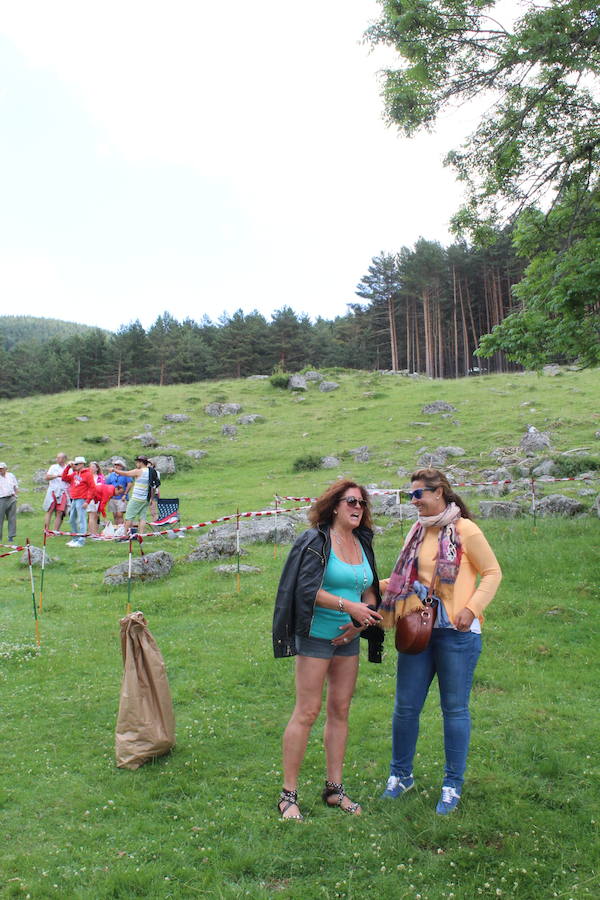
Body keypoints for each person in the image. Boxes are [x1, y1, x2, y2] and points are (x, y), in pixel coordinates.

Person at [380, 468, 502, 815]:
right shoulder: (418, 531)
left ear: (440, 492)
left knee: (454, 710)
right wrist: (377, 585)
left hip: (457, 634)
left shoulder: (465, 529)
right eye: (410, 495)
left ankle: (452, 785)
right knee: (405, 707)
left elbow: (492, 572)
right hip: (418, 630)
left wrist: (473, 608)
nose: (413, 501)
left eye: (418, 494)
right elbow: (409, 578)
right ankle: (400, 776)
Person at [272, 480, 383, 820]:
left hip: (347, 638)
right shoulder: (315, 540)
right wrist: (348, 606)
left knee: (340, 710)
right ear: (335, 505)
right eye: (351, 501)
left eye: (362, 503)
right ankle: (288, 795)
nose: (357, 508)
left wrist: (361, 620)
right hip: (316, 635)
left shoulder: (362, 541)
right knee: (307, 711)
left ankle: (334, 789)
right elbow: (306, 589)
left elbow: (370, 587)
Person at [61, 457, 96, 547]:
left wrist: (87, 501)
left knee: (81, 520)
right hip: (74, 499)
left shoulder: (88, 474)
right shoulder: (74, 474)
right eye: (74, 464)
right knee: (72, 519)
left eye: (76, 464)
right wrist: (68, 467)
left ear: (82, 464)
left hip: (82, 499)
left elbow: (92, 488)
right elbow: (64, 478)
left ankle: (81, 540)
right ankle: (75, 538)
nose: (75, 466)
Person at [121, 456, 152, 537]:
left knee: (129, 517)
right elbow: (154, 486)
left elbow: (126, 473)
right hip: (146, 498)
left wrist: (114, 470)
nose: (136, 464)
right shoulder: (151, 471)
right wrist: (151, 498)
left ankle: (125, 535)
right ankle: (141, 535)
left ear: (141, 462)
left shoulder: (139, 471)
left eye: (137, 462)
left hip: (136, 498)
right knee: (142, 518)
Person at [43, 452, 69, 532]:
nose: (58, 459)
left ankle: (55, 530)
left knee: (60, 511)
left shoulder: (68, 468)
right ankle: (46, 530)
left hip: (64, 491)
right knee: (50, 510)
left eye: (60, 458)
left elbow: (71, 479)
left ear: (64, 459)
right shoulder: (53, 467)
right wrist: (57, 476)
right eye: (57, 458)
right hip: (53, 490)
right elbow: (46, 477)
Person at [105, 460, 132, 527]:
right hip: (113, 497)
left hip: (122, 497)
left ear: (122, 466)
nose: (116, 466)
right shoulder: (111, 475)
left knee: (120, 514)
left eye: (118, 465)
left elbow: (129, 484)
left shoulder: (125, 474)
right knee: (115, 515)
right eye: (115, 465)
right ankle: (116, 529)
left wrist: (125, 494)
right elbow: (107, 485)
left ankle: (121, 529)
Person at [0, 462, 19, 544]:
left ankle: (11, 537)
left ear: (5, 469)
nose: (0, 470)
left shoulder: (11, 475)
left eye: (1, 469)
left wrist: (15, 496)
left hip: (11, 498)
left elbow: (16, 486)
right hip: (1, 499)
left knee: (12, 518)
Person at [86, 461, 105, 536]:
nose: (91, 468)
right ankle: (91, 532)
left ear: (97, 468)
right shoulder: (88, 476)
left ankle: (94, 531)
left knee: (97, 515)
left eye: (93, 467)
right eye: (90, 467)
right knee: (91, 515)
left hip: (99, 498)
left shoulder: (101, 477)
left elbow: (103, 487)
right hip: (90, 498)